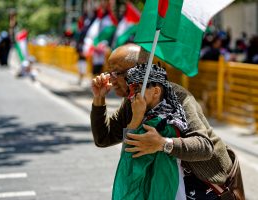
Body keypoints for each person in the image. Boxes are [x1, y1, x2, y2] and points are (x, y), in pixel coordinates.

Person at [91, 43, 244, 199]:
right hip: (168, 186)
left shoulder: (179, 97)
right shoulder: (132, 102)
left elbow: (204, 147)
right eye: (109, 72)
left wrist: (163, 143)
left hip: (207, 185)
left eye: (116, 73)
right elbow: (104, 139)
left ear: (141, 70)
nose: (111, 80)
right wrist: (99, 98)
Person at [113, 63, 188, 199]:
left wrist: (136, 118)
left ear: (156, 92)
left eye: (136, 88)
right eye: (129, 89)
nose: (131, 96)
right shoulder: (160, 116)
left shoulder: (159, 124)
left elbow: (128, 164)